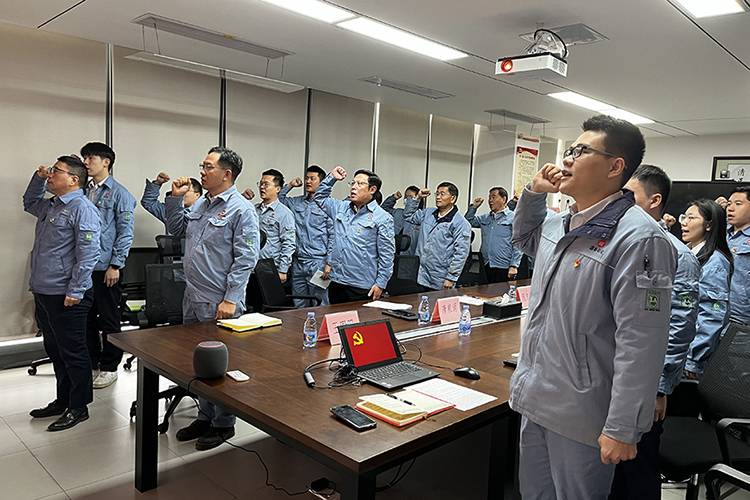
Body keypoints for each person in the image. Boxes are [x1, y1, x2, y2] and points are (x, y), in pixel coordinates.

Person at [510, 115, 676, 499]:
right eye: (569, 150)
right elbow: (523, 238)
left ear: (615, 167)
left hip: (582, 411)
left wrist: (623, 427)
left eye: (581, 151)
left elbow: (642, 342)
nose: (567, 158)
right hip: (537, 397)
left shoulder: (640, 238)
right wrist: (533, 193)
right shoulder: (560, 224)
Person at [609, 165, 700, 500]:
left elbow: (680, 326)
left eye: (629, 195)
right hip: (612, 376)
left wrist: (660, 386)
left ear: (654, 200)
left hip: (645, 384)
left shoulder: (677, 253)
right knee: (610, 470)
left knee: (638, 469)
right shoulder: (619, 242)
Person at [166, 146, 260, 451]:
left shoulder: (241, 210)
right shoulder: (201, 204)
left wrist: (231, 298)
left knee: (220, 366)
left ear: (226, 174)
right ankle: (204, 415)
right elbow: (174, 230)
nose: (202, 171)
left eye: (208, 167)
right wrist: (175, 199)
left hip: (219, 299)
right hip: (192, 295)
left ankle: (223, 422)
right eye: (202, 165)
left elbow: (246, 258)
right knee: (198, 363)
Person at [24, 157, 100, 431]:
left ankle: (78, 407)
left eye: (56, 171)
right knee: (55, 350)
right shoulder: (51, 205)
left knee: (73, 352)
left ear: (74, 179)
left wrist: (76, 290)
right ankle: (63, 399)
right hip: (44, 290)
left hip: (67, 294)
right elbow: (29, 202)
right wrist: (37, 178)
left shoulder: (83, 209)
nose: (51, 175)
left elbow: (89, 254)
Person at [81, 142, 136, 389]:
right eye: (84, 158)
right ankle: (92, 363)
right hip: (83, 267)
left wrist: (116, 264)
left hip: (106, 268)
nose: (86, 162)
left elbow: (125, 232)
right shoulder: (83, 190)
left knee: (109, 319)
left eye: (90, 157)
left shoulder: (119, 194)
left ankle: (110, 367)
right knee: (86, 319)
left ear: (106, 162)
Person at [314, 167, 395, 304]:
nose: (353, 187)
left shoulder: (383, 218)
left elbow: (386, 256)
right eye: (352, 183)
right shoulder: (341, 207)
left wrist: (381, 284)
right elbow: (320, 197)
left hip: (361, 286)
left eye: (360, 184)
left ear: (372, 189)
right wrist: (332, 178)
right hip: (337, 281)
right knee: (336, 316)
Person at [682, 199, 733, 379]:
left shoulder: (715, 262)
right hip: (681, 343)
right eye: (684, 217)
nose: (684, 222)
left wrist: (694, 358)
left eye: (691, 218)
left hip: (692, 352)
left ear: (709, 225)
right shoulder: (686, 254)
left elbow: (712, 313)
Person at [278, 165, 334, 306]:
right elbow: (277, 200)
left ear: (321, 182)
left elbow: (333, 236)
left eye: (312, 178)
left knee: (320, 303)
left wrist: (329, 263)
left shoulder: (328, 206)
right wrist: (290, 185)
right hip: (298, 262)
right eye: (306, 178)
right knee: (299, 303)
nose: (308, 181)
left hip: (318, 263)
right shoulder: (297, 202)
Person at [403, 182, 471, 290]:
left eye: (442, 194)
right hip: (419, 274)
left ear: (453, 198)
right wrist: (418, 198)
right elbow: (408, 215)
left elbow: (461, 253)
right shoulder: (428, 213)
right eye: (437, 193)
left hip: (440, 277)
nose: (438, 197)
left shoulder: (460, 223)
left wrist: (451, 278)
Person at [465, 186, 523, 282]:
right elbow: (467, 222)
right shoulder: (485, 218)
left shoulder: (513, 218)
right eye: (489, 198)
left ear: (503, 199)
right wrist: (474, 207)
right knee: (483, 291)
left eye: (494, 197)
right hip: (486, 264)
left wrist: (514, 265)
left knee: (501, 291)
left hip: (504, 266)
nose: (490, 200)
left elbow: (518, 243)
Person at [255, 169, 296, 284]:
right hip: (251, 266)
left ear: (278, 189)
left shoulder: (284, 213)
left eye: (266, 184)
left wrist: (283, 269)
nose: (262, 187)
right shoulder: (254, 210)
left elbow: (289, 243)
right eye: (260, 183)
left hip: (270, 268)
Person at [726, 186, 750, 327]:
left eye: (738, 204)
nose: (731, 208)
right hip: (712, 309)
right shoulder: (719, 233)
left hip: (740, 316)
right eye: (729, 204)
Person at [381, 186, 423, 255]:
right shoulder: (398, 212)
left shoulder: (421, 216)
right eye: (406, 196)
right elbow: (384, 210)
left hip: (410, 255)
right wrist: (393, 198)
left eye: (410, 197)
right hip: (392, 253)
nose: (407, 199)